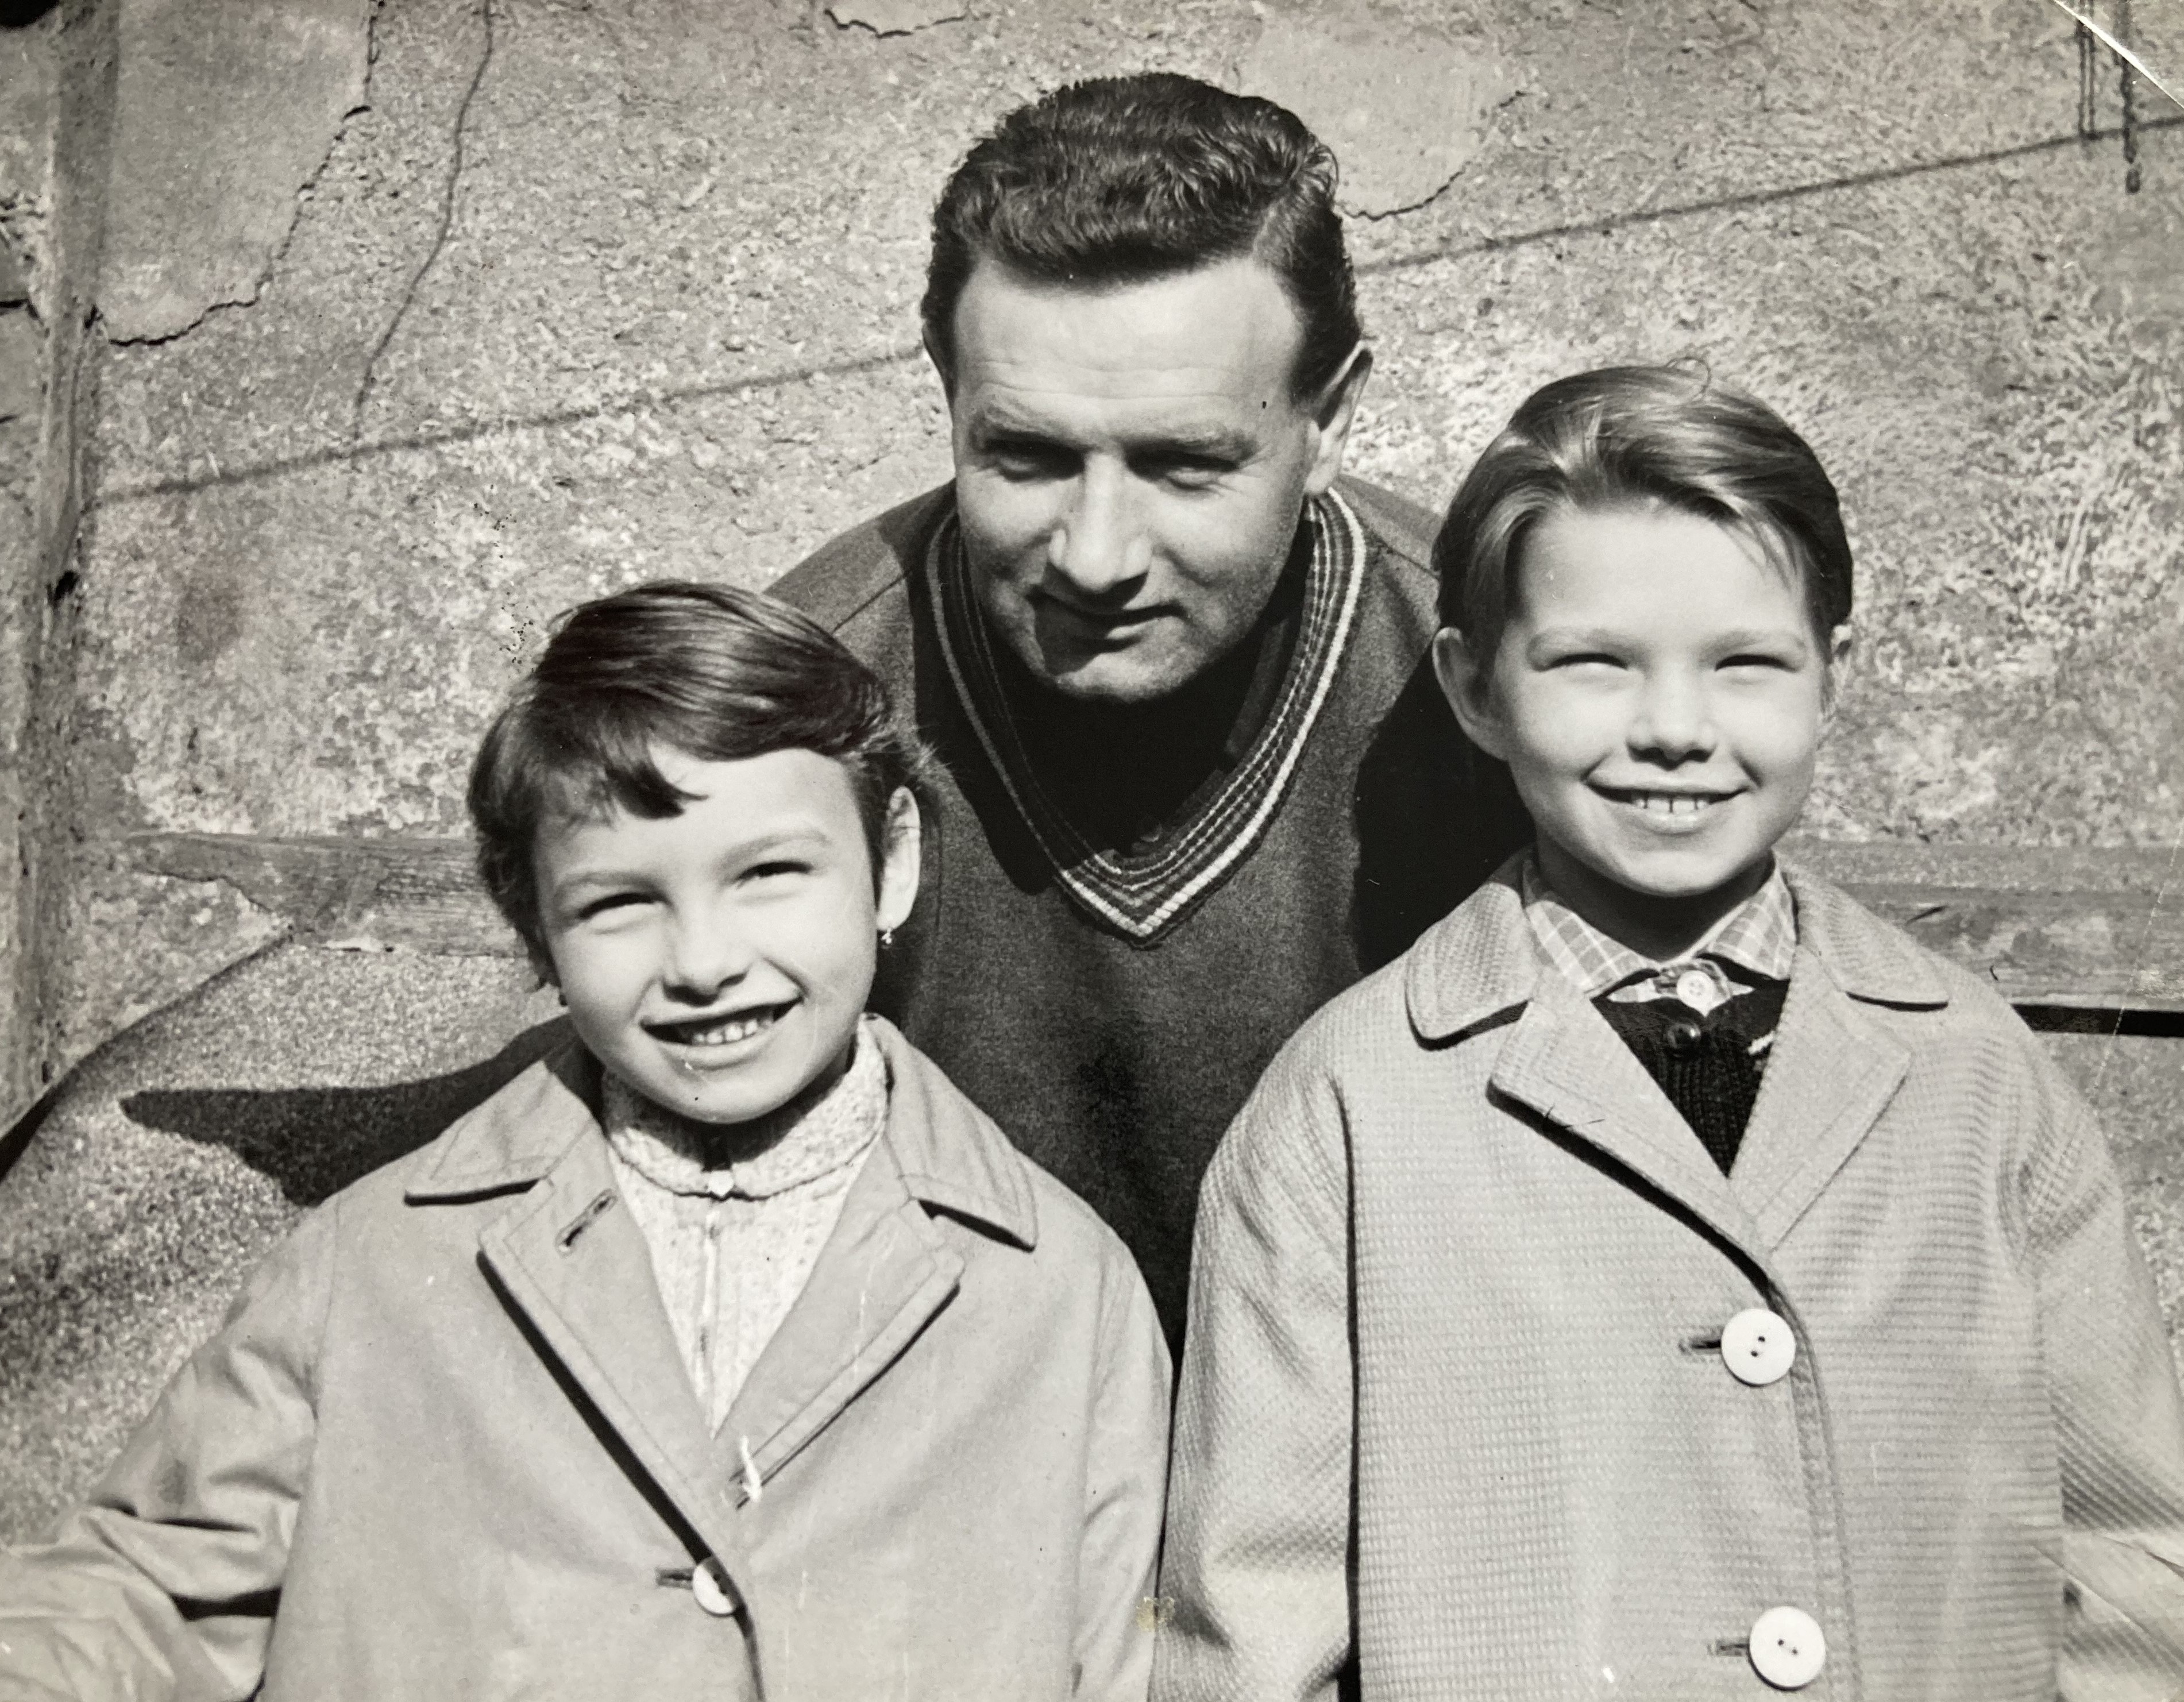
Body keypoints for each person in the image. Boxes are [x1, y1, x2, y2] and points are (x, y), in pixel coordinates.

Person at [1153, 366, 2184, 1700]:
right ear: (1473, 689)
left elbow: (2133, 1564)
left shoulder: (1981, 1079)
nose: (1674, 732)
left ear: (1831, 679)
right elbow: (1250, 1631)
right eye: (1592, 664)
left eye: (1745, 664)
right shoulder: (1342, 1115)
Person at [0, 584, 1170, 1702]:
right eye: (618, 904)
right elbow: (143, 1596)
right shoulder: (370, 1266)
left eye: (769, 874)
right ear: (536, 927)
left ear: (892, 862)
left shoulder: (1059, 1292)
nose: (703, 962)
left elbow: (1124, 1664)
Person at [773, 72, 1529, 1345]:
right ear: (945, 390)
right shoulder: (802, 700)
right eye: (1026, 457)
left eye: (1183, 465)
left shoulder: (1484, 687)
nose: (1095, 556)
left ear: (1327, 420)